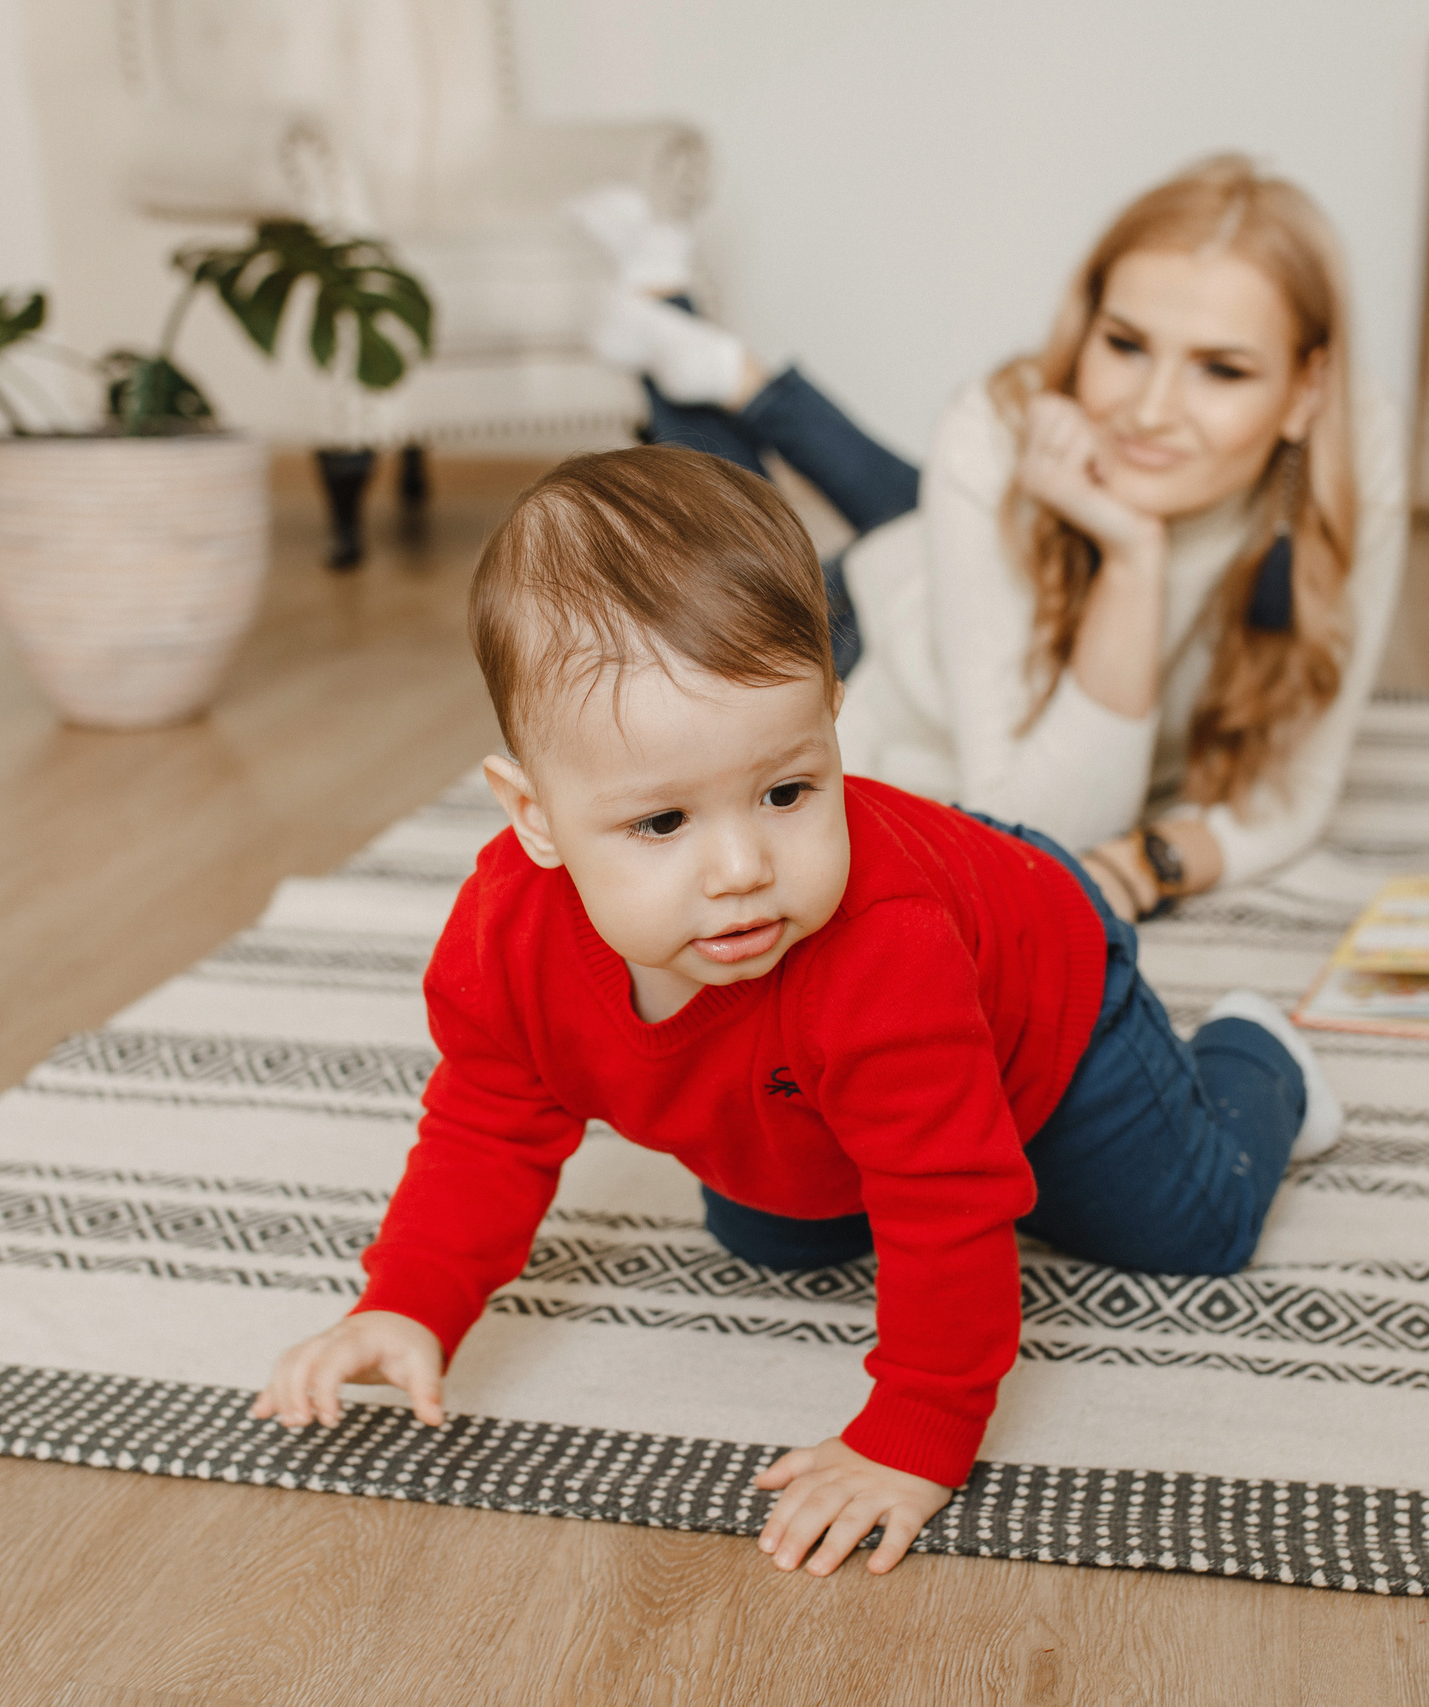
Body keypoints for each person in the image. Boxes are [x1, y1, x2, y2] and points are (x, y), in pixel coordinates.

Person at [250, 447, 1342, 1576]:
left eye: (786, 792)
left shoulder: (885, 946)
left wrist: (916, 1435)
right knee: (770, 1233)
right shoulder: (505, 939)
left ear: (832, 723)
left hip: (1041, 988)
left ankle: (1259, 1054)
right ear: (533, 814)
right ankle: (901, 1127)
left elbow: (947, 1202)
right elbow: (488, 1123)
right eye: (661, 823)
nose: (740, 869)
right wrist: (410, 1302)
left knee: (1186, 1229)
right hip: (834, 1078)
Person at [573, 156, 1408, 920]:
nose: (1152, 410)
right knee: (708, 540)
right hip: (859, 634)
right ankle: (669, 319)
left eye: (1221, 369)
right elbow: (1038, 835)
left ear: (1308, 389)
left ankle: (686, 330)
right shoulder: (997, 427)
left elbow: (1297, 791)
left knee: (917, 501)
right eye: (1123, 345)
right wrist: (1130, 553)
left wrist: (1154, 862)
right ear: (1083, 334)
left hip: (939, 553)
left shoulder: (1354, 453)